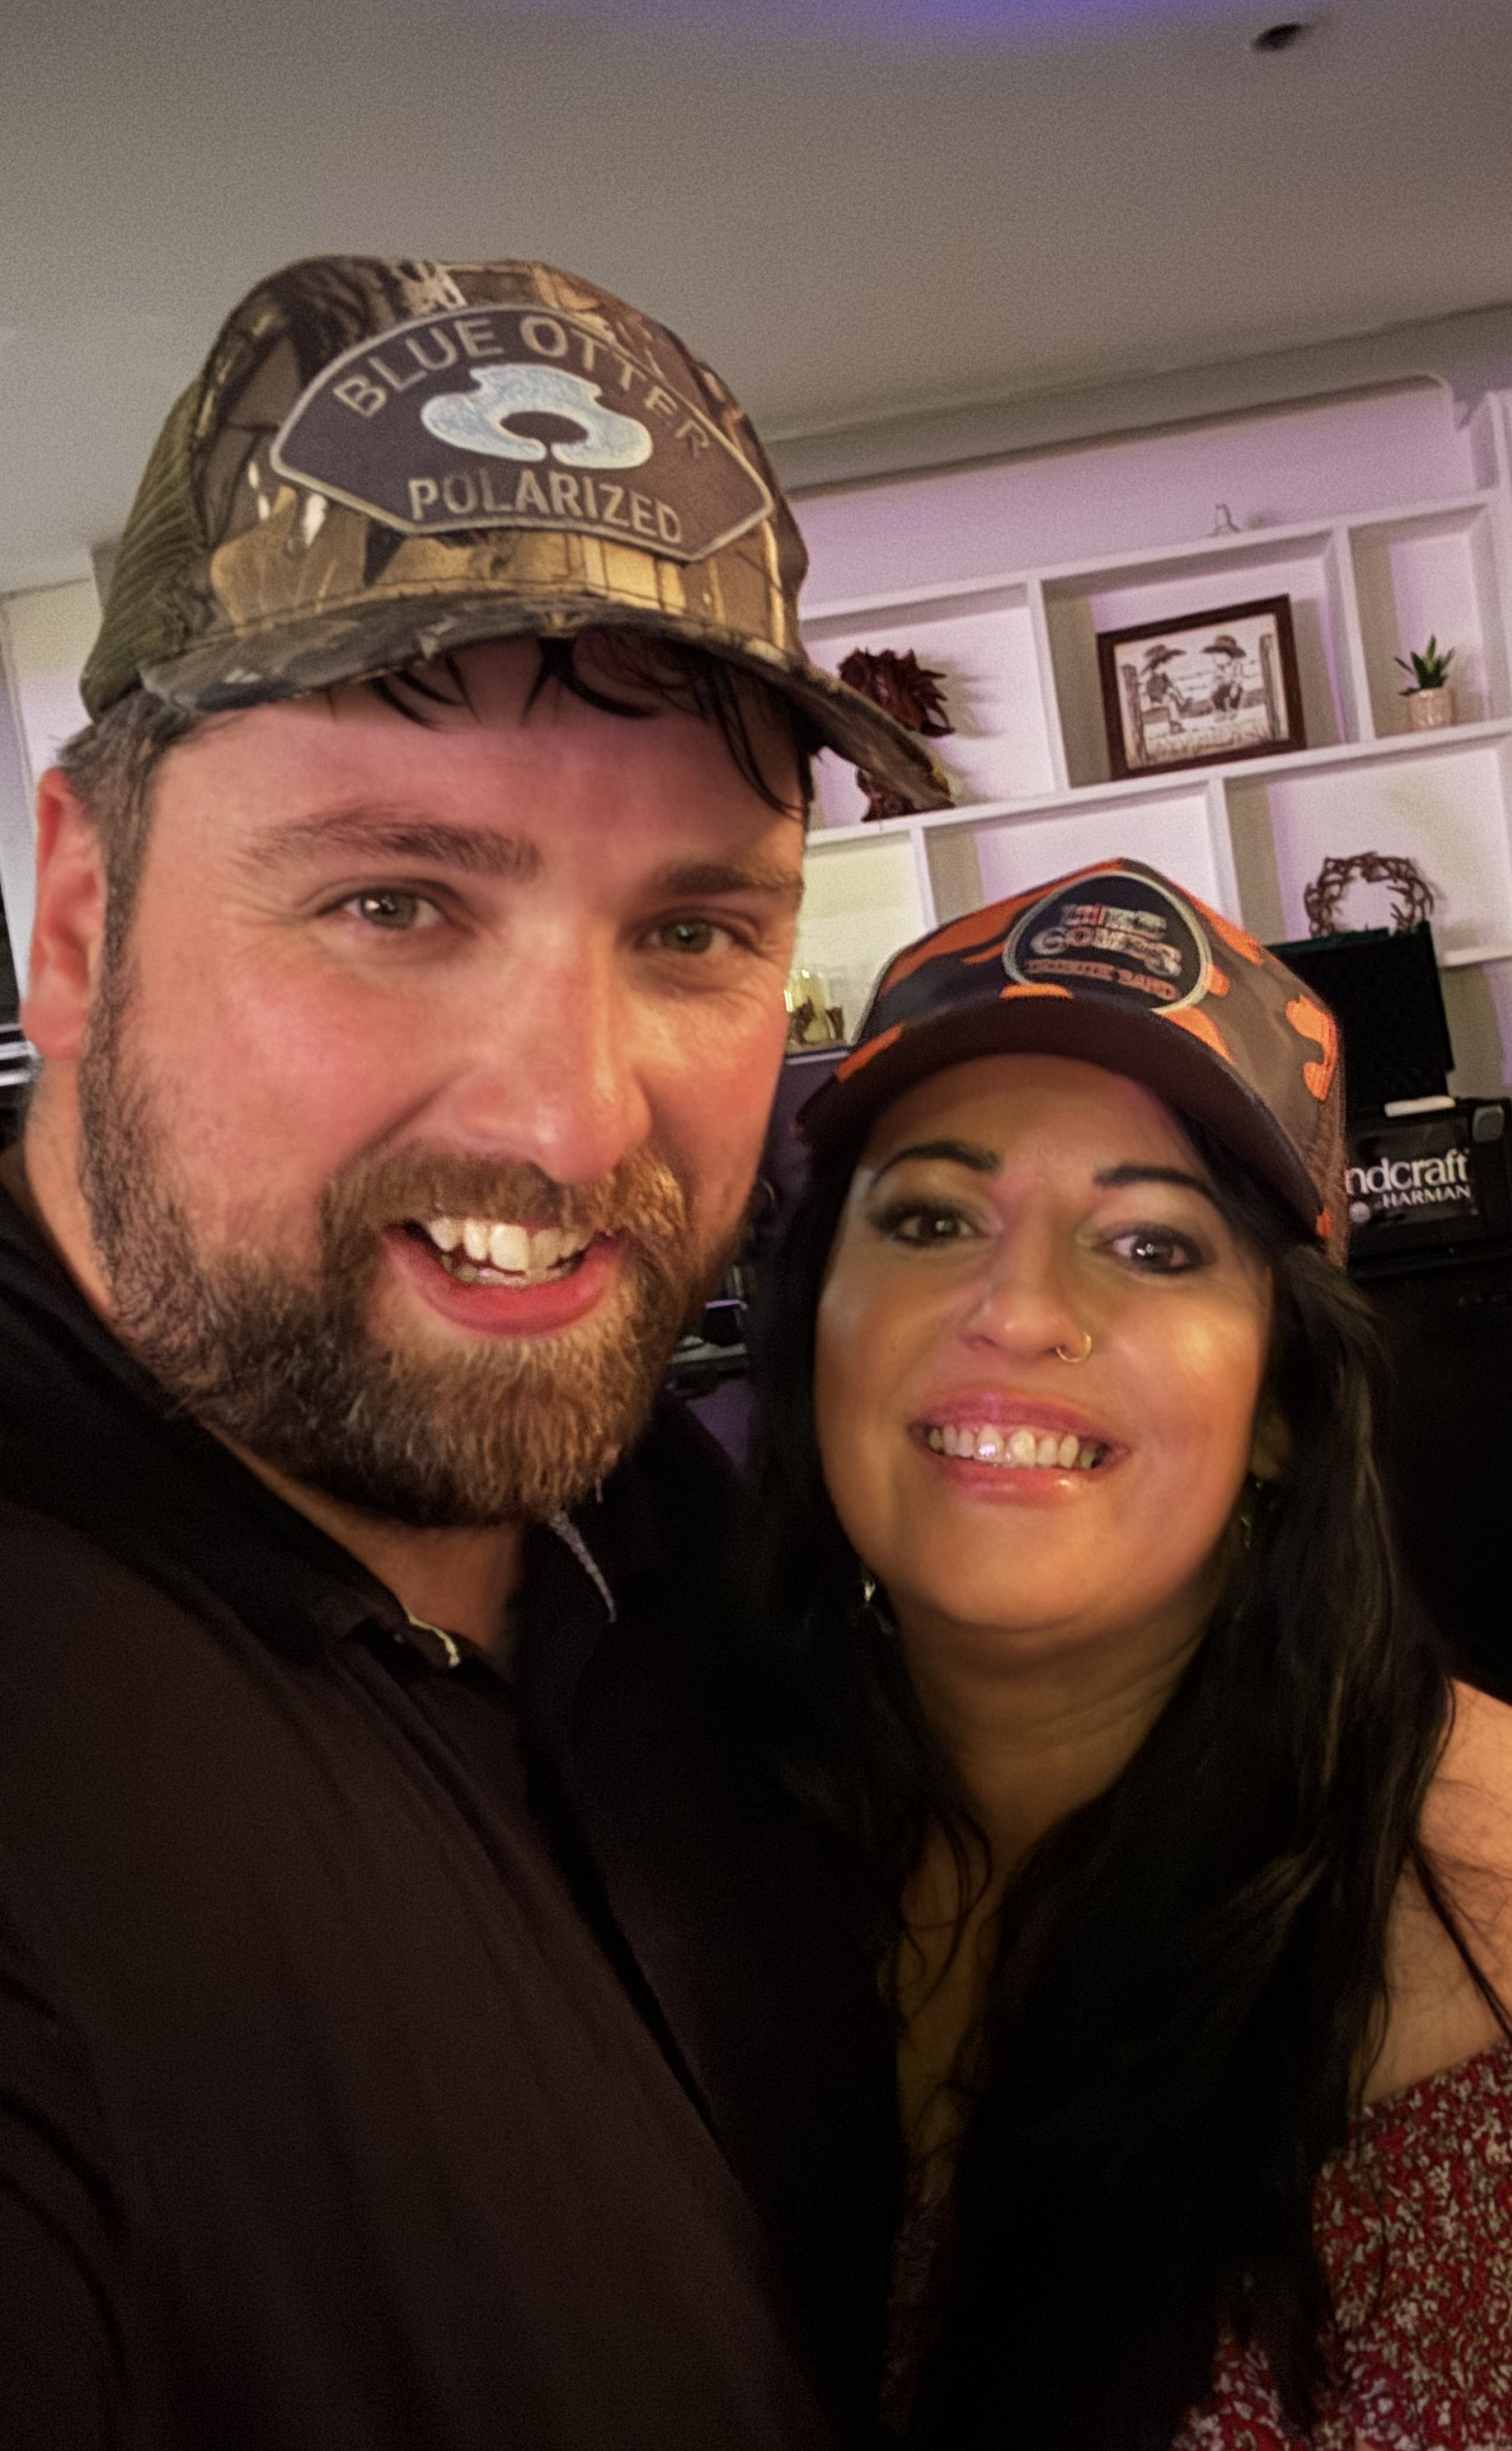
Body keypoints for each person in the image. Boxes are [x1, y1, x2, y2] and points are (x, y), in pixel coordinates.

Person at [0, 253, 952, 2449]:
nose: (573, 1121)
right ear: (78, 922)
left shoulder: (660, 1520)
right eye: (394, 902)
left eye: (693, 928)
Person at [738, 858, 1512, 2451]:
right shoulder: (683, 1800)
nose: (1018, 1309)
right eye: (929, 1217)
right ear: (813, 1331)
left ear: (1280, 1405)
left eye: (1152, 1246)